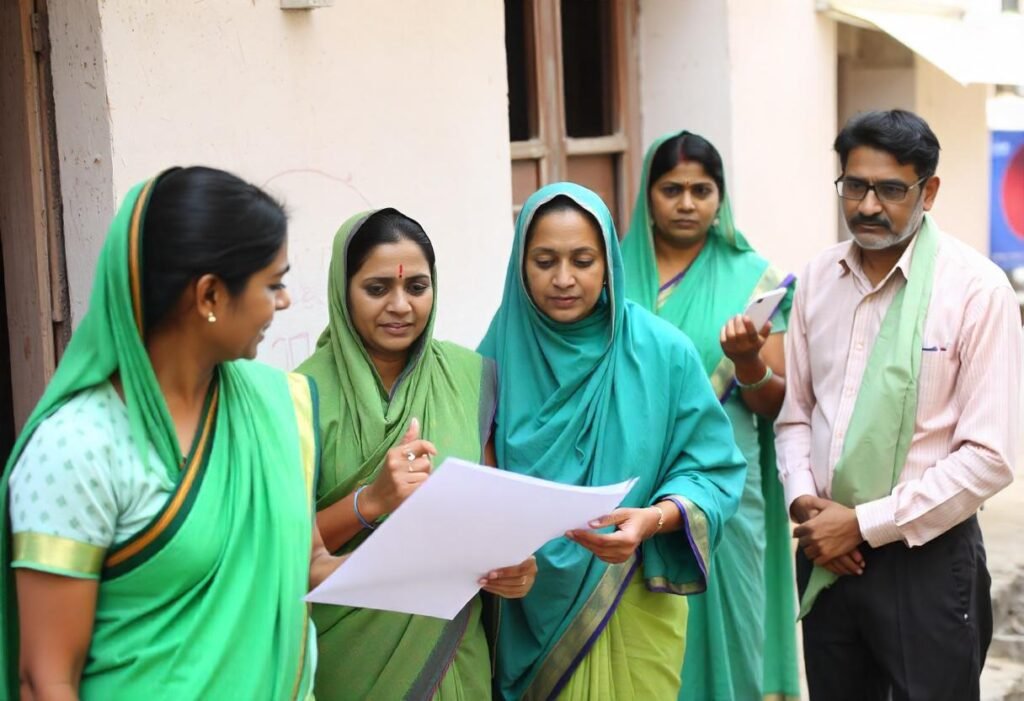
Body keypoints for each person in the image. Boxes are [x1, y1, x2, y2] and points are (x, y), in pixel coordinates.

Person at [0, 167, 341, 700]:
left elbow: (306, 565)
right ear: (209, 296)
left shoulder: (274, 407)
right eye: (272, 283)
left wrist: (442, 561)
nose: (284, 302)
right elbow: (47, 680)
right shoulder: (78, 448)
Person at [777, 109, 1022, 701]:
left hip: (927, 558)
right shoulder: (816, 279)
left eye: (890, 190)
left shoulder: (976, 290)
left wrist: (860, 525)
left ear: (928, 191)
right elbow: (796, 413)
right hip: (828, 557)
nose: (866, 206)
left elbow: (990, 456)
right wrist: (804, 498)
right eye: (854, 186)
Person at [479, 182, 745, 700]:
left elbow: (712, 468)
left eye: (582, 260)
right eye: (544, 260)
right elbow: (476, 475)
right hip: (522, 601)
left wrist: (654, 518)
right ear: (520, 264)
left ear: (609, 263)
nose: (563, 279)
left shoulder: (663, 352)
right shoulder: (493, 358)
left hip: (627, 590)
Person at [297, 208, 537, 700]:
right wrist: (372, 501)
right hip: (347, 660)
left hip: (451, 652)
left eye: (417, 287)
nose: (401, 305)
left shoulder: (471, 378)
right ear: (342, 291)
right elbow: (281, 553)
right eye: (377, 288)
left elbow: (492, 517)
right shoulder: (300, 395)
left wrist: (517, 569)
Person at [621, 130, 801, 701]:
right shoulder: (612, 272)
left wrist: (747, 359)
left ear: (720, 197)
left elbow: (772, 400)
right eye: (671, 189)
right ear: (646, 195)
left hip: (725, 483)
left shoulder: (752, 277)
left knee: (731, 622)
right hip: (628, 476)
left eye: (702, 189)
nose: (686, 203)